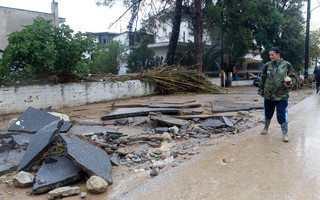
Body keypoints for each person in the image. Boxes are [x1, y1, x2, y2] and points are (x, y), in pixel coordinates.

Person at [258, 47, 296, 142]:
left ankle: (284, 133)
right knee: (268, 113)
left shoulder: (287, 64)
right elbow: (262, 78)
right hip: (268, 94)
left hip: (282, 95)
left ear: (278, 54)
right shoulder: (267, 65)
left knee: (281, 113)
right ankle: (266, 127)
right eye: (270, 55)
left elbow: (293, 76)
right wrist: (261, 91)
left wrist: (290, 83)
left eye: (272, 54)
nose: (270, 56)